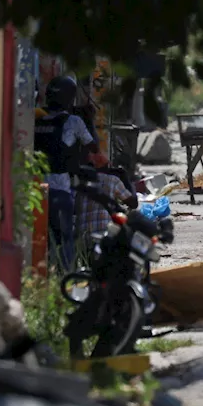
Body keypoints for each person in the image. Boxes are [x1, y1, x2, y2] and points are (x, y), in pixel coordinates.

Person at [34, 75, 97, 273]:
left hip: (36, 192)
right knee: (66, 239)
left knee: (40, 240)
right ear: (70, 98)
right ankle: (66, 281)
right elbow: (93, 146)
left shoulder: (36, 117)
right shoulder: (73, 121)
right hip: (60, 191)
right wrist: (89, 120)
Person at [75, 152, 139, 252]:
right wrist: (129, 182)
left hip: (83, 239)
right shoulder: (112, 180)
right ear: (107, 166)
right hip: (104, 236)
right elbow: (133, 203)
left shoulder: (81, 185)